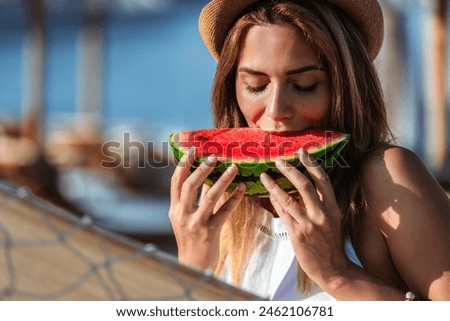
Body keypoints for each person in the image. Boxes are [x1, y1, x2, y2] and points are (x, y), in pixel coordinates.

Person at [168, 0, 450, 300]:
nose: (276, 110)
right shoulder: (227, 196)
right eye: (255, 85)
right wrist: (192, 268)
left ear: (345, 87)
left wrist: (337, 274)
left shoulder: (387, 178)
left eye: (304, 85)